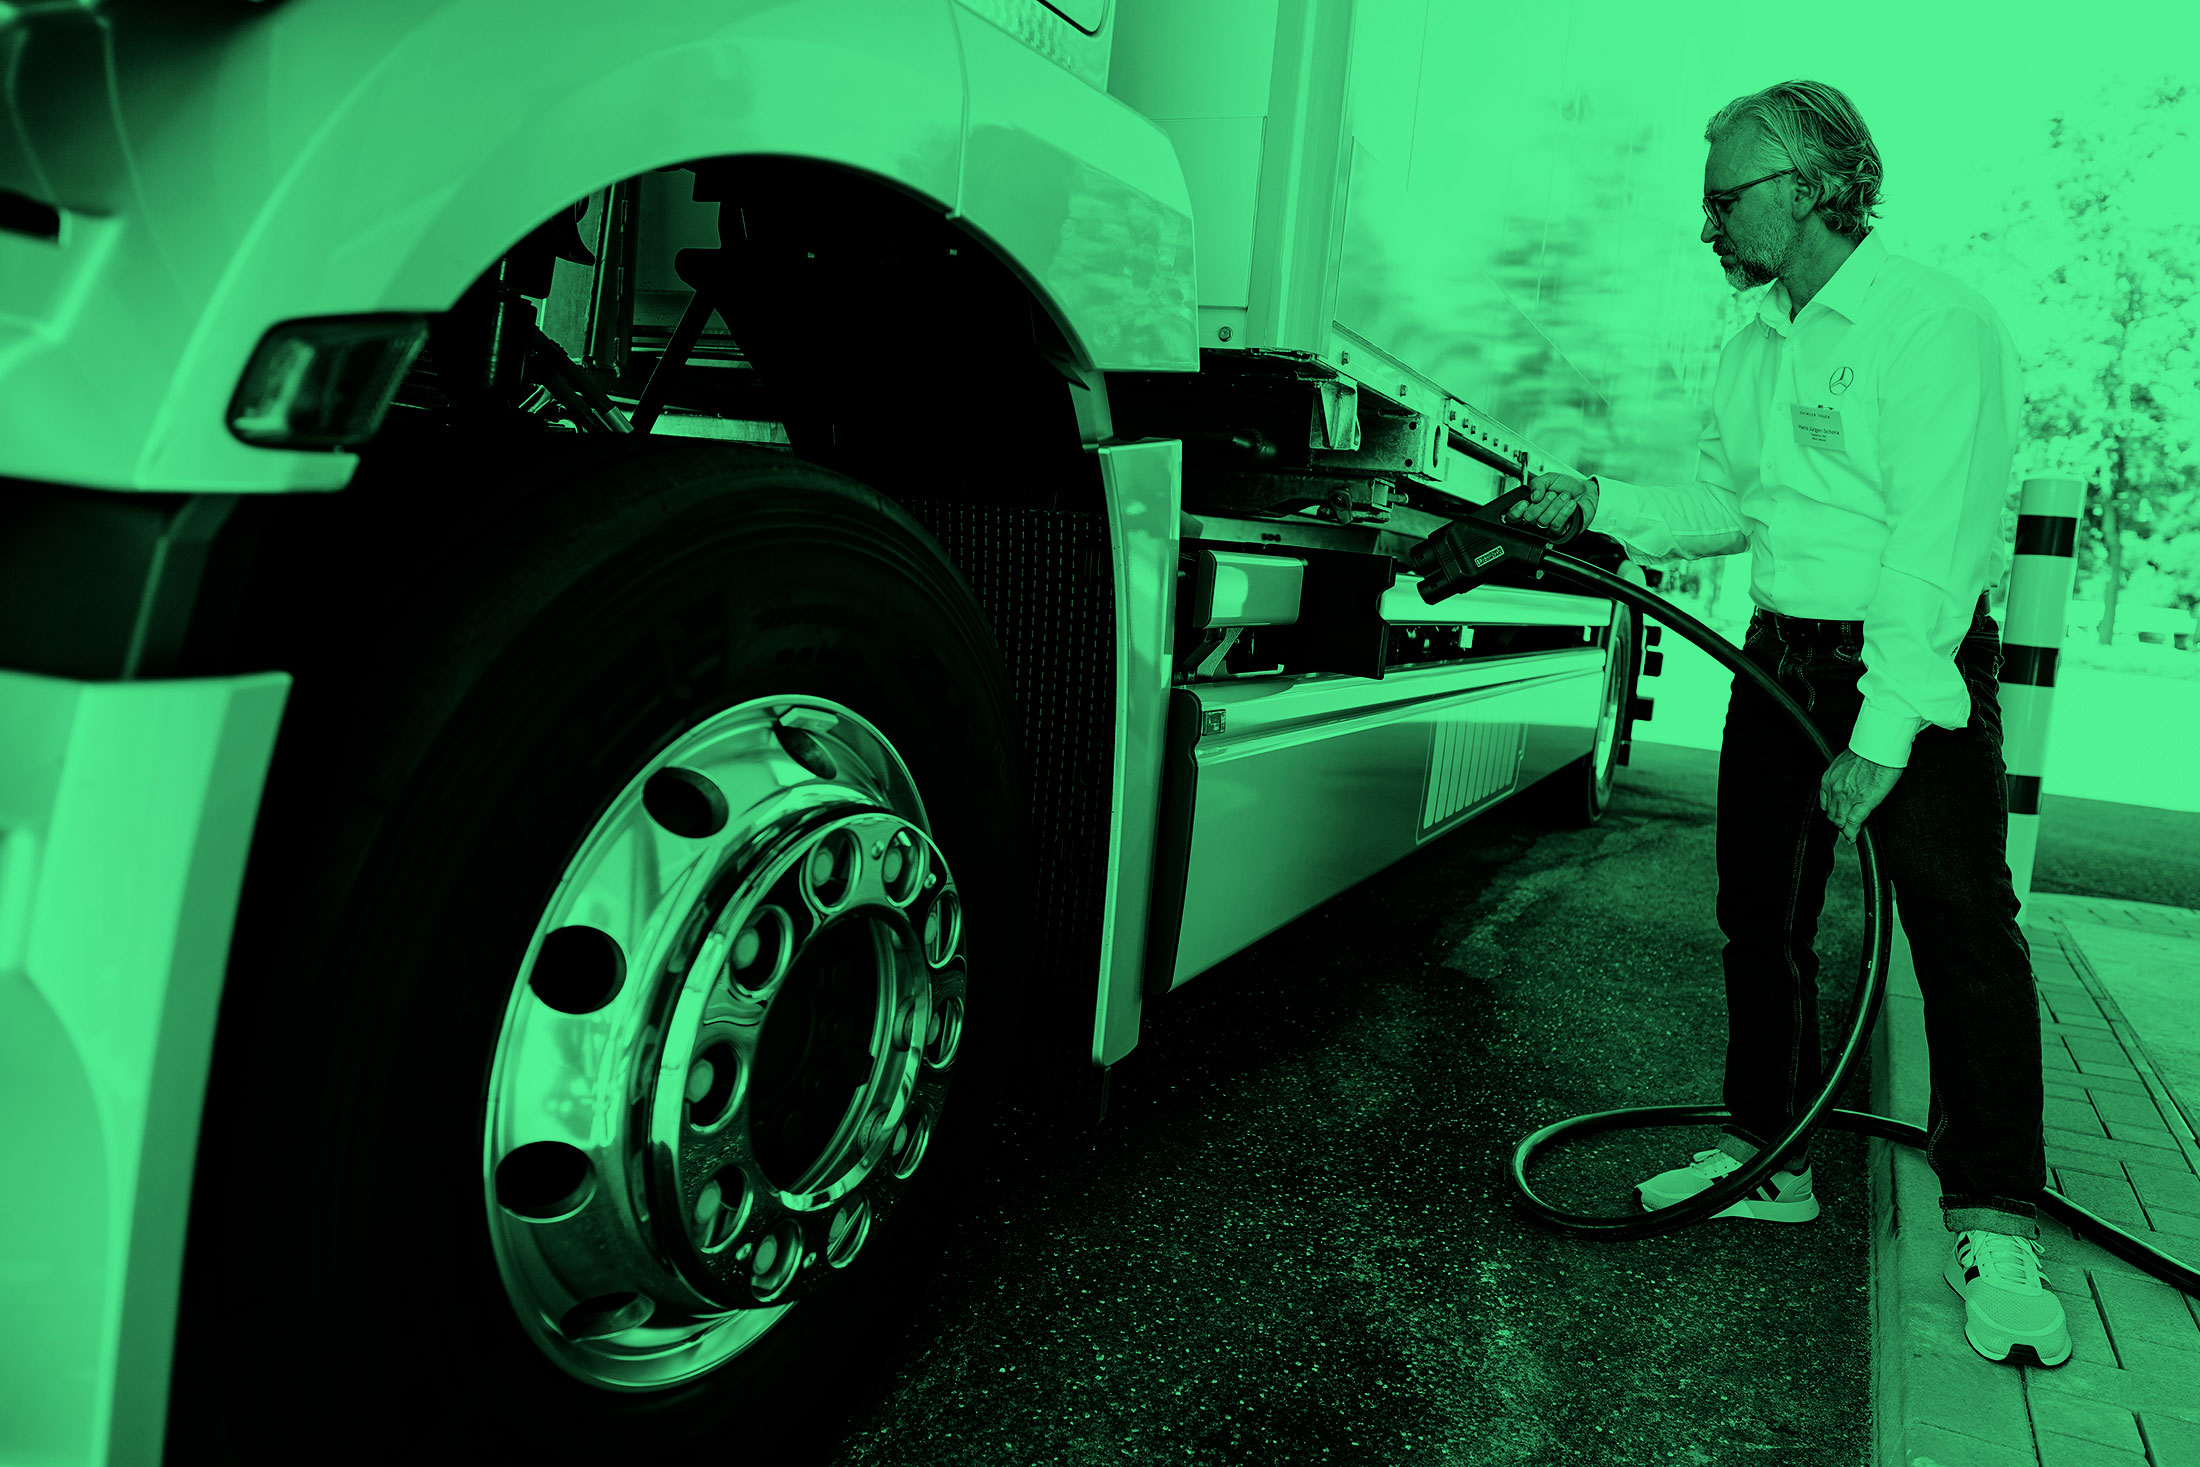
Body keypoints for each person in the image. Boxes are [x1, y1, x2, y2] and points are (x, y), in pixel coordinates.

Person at [1509, 79, 2069, 1369]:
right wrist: (1594, 501)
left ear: (1813, 185)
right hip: (1774, 662)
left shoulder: (1935, 322)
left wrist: (1882, 737)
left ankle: (1993, 1221)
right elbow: (1726, 500)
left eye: (1726, 195)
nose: (1706, 220)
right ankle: (1771, 1154)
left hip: (1906, 670)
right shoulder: (1754, 333)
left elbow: (1936, 543)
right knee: (1758, 920)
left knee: (1961, 936)